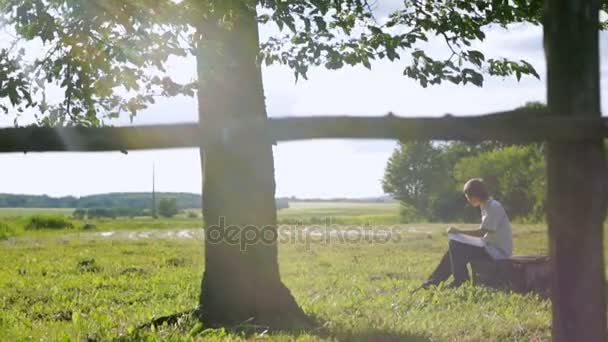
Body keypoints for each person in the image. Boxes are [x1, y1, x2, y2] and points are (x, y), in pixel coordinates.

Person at [416, 178, 513, 290]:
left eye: (468, 196)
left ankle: (460, 281)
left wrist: (459, 232)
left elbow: (482, 232)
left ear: (475, 195)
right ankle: (432, 283)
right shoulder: (485, 206)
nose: (467, 199)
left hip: (497, 252)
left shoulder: (493, 207)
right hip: (488, 247)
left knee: (456, 246)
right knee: (453, 249)